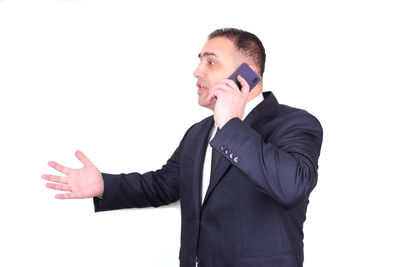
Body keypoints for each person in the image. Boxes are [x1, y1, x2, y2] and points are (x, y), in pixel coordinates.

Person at [42, 28, 323, 267]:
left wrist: (232, 124)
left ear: (245, 75)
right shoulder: (198, 133)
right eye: (199, 61)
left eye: (210, 63)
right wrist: (104, 185)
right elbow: (164, 185)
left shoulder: (294, 123)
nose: (197, 71)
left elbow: (292, 185)